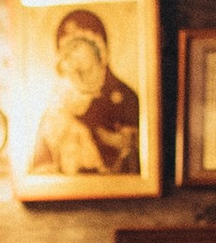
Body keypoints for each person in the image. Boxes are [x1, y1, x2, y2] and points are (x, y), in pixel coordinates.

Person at [27, 14, 142, 178]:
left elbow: (135, 159)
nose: (72, 56)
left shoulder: (124, 97)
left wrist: (113, 141)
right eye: (66, 52)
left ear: (97, 46)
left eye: (76, 47)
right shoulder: (60, 104)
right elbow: (42, 163)